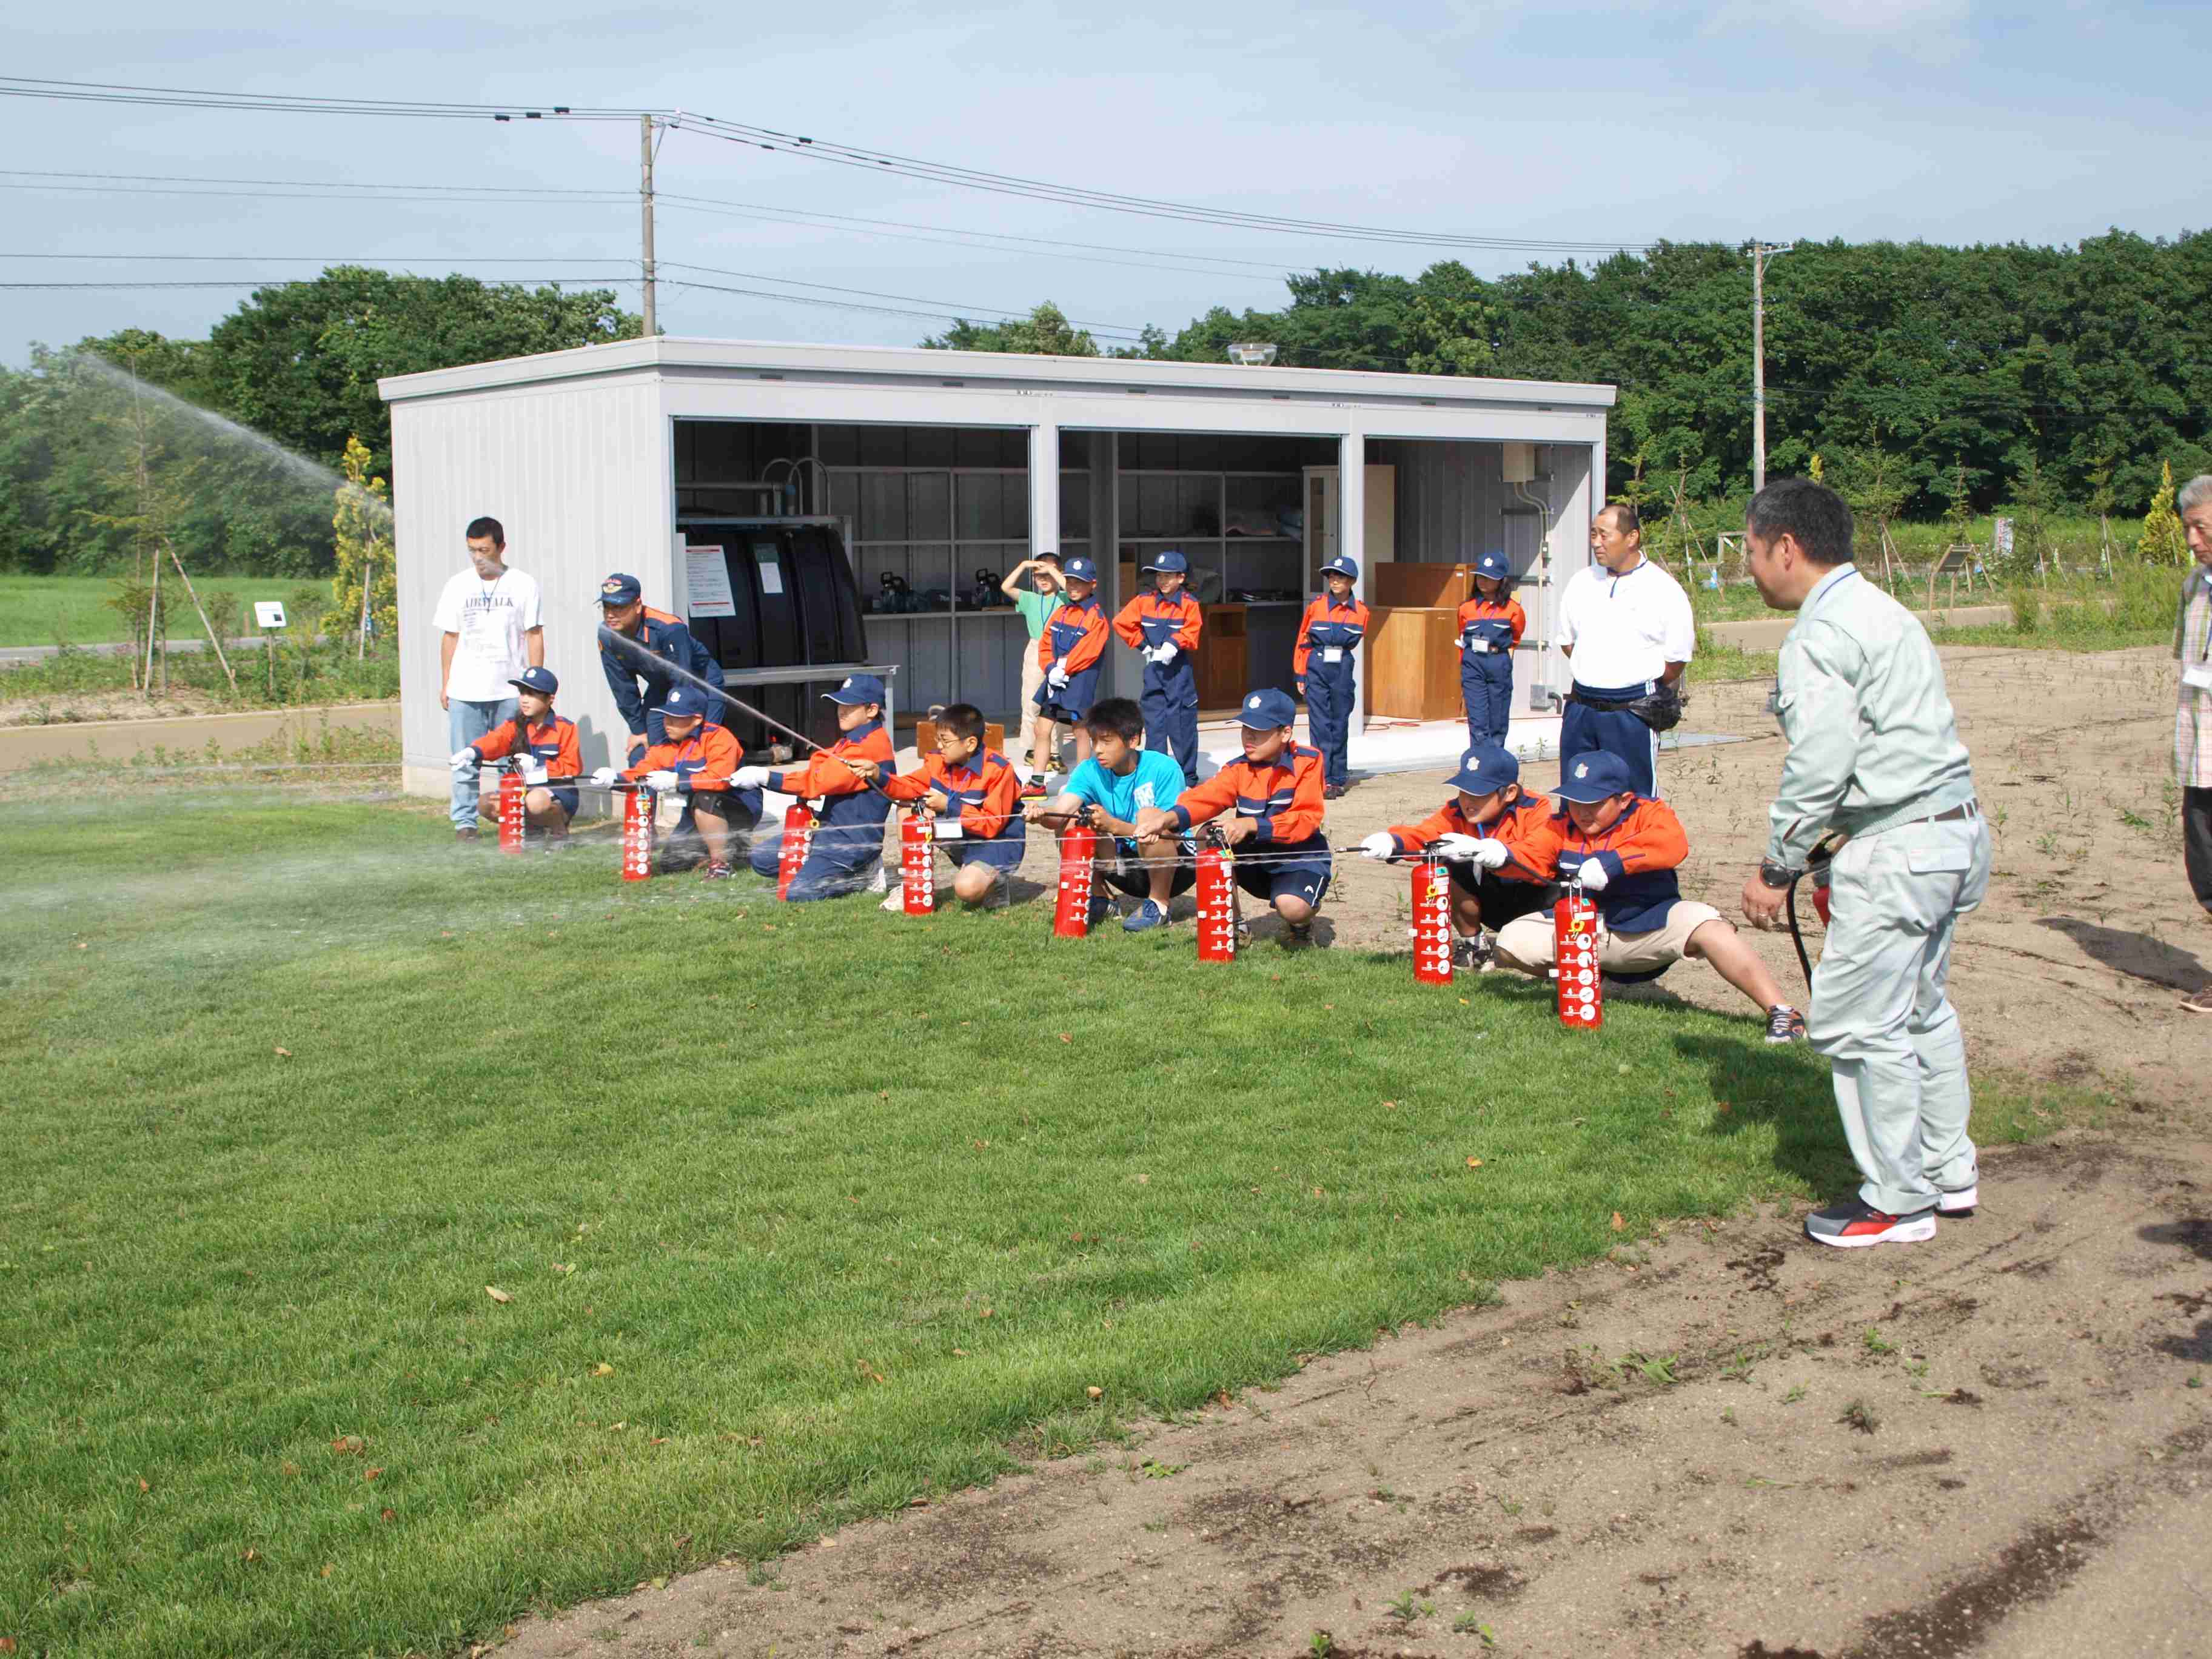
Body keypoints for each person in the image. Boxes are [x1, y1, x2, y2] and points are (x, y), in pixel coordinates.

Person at [1736, 477, 1989, 1248]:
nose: (1748, 569)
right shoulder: (1885, 611)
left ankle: (1896, 1200)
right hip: (1951, 833)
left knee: (1856, 1026)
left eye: (1750, 552)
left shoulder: (1821, 634)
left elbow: (1821, 762)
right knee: (1919, 1009)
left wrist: (1779, 867)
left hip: (1899, 849)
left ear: (1787, 547)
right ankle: (1949, 1174)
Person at [1494, 749, 1807, 1041]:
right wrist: (1498, 853)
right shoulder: (1562, 824)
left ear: (1625, 799)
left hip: (1648, 927)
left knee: (1711, 927)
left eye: (1595, 803)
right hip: (1586, 932)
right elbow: (1532, 854)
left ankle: (1782, 1012)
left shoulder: (1650, 813)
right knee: (1510, 942)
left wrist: (1614, 863)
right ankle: (1588, 980)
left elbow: (1673, 844)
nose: (1582, 812)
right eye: (1576, 802)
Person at [1136, 688, 1329, 946]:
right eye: (1245, 728)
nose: (1248, 737)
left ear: (1285, 733)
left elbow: (1305, 819)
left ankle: (1301, 925)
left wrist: (1250, 824)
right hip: (1254, 861)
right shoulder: (1238, 768)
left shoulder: (1309, 761)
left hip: (1297, 859)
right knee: (1209, 835)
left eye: (1258, 731)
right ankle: (1234, 924)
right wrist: (1165, 820)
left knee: (1293, 908)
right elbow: (1206, 798)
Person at [1356, 742, 1553, 970]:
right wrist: (1393, 841)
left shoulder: (1536, 809)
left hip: (1533, 897)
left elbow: (1540, 859)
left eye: (1479, 794)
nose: (1468, 801)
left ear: (1509, 793)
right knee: (1441, 863)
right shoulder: (1455, 810)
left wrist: (1499, 853)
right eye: (1464, 791)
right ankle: (1474, 945)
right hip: (1490, 896)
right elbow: (1426, 835)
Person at [1557, 504, 1695, 797]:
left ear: (1631, 537)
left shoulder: (1662, 589)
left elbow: (1677, 659)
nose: (1596, 542)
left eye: (1604, 535)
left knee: (1634, 799)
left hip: (1631, 711)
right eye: (1593, 534)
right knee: (1576, 795)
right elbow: (1568, 642)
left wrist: (1626, 680)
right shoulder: (1582, 582)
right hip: (1581, 709)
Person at [1034, 697, 1196, 933]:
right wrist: (1041, 815)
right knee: (1076, 822)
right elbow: (1061, 815)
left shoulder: (1164, 768)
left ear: (1134, 740)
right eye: (1094, 741)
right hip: (1123, 865)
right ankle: (1103, 899)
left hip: (1175, 866)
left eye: (1106, 741)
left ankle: (1159, 904)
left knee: (1150, 816)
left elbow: (1169, 830)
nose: (1098, 749)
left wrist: (1113, 825)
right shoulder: (1088, 770)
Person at [736, 674, 897, 902]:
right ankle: (825, 870)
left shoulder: (869, 746)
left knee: (799, 893)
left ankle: (863, 876)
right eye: (840, 704)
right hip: (826, 832)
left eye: (850, 706)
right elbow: (820, 767)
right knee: (762, 858)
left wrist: (765, 777)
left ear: (871, 710)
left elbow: (816, 783)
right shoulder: (853, 740)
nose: (841, 710)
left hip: (851, 841)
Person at [433, 515, 544, 840]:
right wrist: (446, 683)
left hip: (508, 690)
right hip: (466, 690)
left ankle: (519, 818)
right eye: (472, 551)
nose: (478, 558)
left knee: (518, 759)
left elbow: (534, 635)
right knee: (464, 761)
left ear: (502, 547)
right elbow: (450, 637)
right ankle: (465, 823)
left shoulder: (523, 584)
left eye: (484, 550)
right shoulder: (457, 585)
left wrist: (534, 688)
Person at [867, 702, 1027, 910]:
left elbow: (992, 825)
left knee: (966, 890)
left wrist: (948, 806)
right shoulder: (937, 762)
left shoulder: (998, 770)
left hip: (996, 843)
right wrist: (878, 775)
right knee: (907, 809)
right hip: (962, 832)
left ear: (970, 743)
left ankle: (997, 881)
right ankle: (913, 884)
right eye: (938, 739)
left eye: (945, 741)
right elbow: (908, 786)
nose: (940, 746)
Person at [591, 683, 757, 880]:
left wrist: (677, 781)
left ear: (697, 719)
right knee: (673, 863)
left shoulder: (719, 738)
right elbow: (642, 773)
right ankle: (733, 848)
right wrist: (614, 779)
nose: (667, 723)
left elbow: (719, 780)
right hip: (696, 811)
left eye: (676, 718)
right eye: (666, 716)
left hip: (737, 806)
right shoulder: (665, 745)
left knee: (705, 797)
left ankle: (721, 865)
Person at [595, 571, 726, 764]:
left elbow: (683, 680)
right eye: (606, 607)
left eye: (619, 607)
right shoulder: (607, 636)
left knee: (701, 749)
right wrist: (639, 731)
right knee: (642, 755)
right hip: (662, 687)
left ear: (638, 606)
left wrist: (680, 728)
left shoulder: (669, 629)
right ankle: (649, 794)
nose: (610, 614)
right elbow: (622, 688)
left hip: (701, 685)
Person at [449, 666, 581, 847]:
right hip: (523, 792)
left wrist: (536, 767)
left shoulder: (566, 728)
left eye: (532, 694)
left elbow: (572, 767)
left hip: (558, 795)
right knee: (485, 804)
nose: (525, 700)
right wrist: (473, 752)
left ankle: (560, 831)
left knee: (535, 801)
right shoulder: (515, 725)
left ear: (550, 699)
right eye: (523, 693)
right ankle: (532, 829)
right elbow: (496, 740)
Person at [1112, 550, 1204, 785]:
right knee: (1155, 724)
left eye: (1168, 576)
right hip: (1153, 668)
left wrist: (1174, 644)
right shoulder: (1145, 601)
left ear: (1181, 578)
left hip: (1179, 670)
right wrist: (1143, 645)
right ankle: (1158, 775)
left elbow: (1192, 631)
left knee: (1182, 724)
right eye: (1159, 576)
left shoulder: (1189, 604)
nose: (1162, 581)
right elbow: (1121, 622)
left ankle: (1187, 777)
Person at [2173, 475, 2212, 1013]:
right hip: (2200, 749)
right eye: (2189, 529)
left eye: (2200, 526)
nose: (2193, 540)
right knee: (2205, 863)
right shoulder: (2193, 587)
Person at [1294, 555, 1369, 799]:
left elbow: (1355, 641)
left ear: (1352, 581)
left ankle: (1337, 778)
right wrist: (1301, 674)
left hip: (1342, 668)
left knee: (1339, 723)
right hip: (1316, 664)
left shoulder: (1362, 612)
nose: (1335, 581)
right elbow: (1303, 641)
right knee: (1320, 725)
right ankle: (1321, 778)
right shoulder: (1316, 607)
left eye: (1341, 576)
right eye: (1331, 576)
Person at [1033, 555, 1111, 778]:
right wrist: (1050, 669)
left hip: (1078, 681)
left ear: (1092, 584)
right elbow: (1045, 643)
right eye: (1070, 581)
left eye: (1080, 582)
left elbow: (1089, 651)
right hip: (1055, 678)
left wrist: (1063, 669)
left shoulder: (1096, 617)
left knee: (1080, 731)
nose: (1074, 586)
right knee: (1042, 728)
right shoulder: (1062, 612)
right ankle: (1037, 781)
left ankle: (1081, 782)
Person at [1001, 551, 1067, 780]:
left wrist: (1052, 570)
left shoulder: (1066, 597)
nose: (1043, 578)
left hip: (1061, 650)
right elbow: (1006, 587)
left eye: (1047, 573)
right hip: (1036, 647)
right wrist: (1023, 565)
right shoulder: (1030, 598)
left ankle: (1055, 752)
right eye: (1038, 574)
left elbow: (1068, 585)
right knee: (1031, 702)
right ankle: (1032, 749)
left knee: (1058, 704)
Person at [1458, 549, 1526, 749]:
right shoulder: (1466, 609)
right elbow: (1462, 633)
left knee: (1498, 720)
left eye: (1489, 578)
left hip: (1498, 663)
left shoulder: (1513, 609)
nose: (1483, 582)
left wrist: (1496, 651)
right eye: (1480, 577)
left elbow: (1516, 636)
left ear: (1502, 581)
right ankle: (1478, 764)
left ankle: (1495, 766)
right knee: (1477, 720)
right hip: (1473, 664)